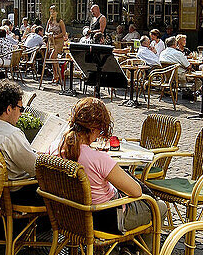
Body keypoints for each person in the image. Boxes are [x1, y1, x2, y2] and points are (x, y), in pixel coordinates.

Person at [54, 98, 153, 234]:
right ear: (94, 129)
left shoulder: (56, 149)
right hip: (105, 219)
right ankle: (140, 253)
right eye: (100, 132)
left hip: (69, 216)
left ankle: (127, 249)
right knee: (158, 207)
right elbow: (136, 192)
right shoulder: (98, 158)